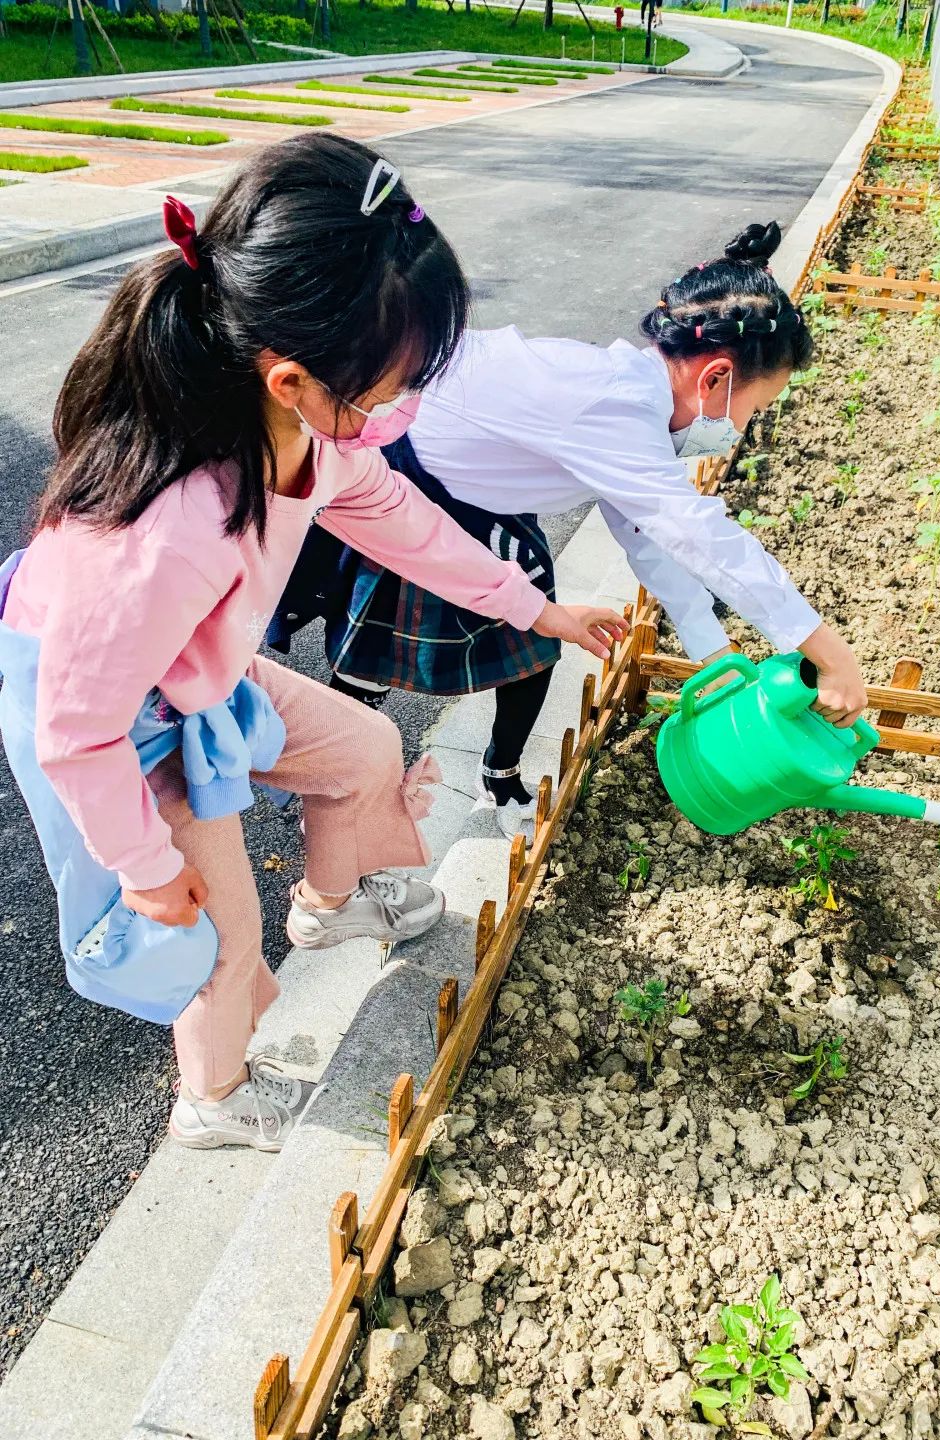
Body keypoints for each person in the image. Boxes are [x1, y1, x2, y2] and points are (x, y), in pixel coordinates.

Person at [0, 134, 625, 1153]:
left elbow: (400, 518)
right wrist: (148, 871)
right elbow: (76, 733)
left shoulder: (303, 435)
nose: (401, 407)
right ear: (294, 379)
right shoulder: (165, 532)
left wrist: (535, 607)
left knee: (368, 750)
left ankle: (332, 905)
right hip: (119, 723)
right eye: (386, 388)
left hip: (191, 671)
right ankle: (215, 1099)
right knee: (216, 936)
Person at [274, 220, 867, 842]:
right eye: (755, 407)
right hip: (412, 482)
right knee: (380, 655)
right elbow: (697, 532)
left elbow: (645, 531)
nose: (743, 426)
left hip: (486, 499)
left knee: (535, 643)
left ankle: (497, 778)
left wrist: (710, 648)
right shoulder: (613, 409)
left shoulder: (633, 403)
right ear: (715, 377)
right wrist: (828, 651)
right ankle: (330, 776)